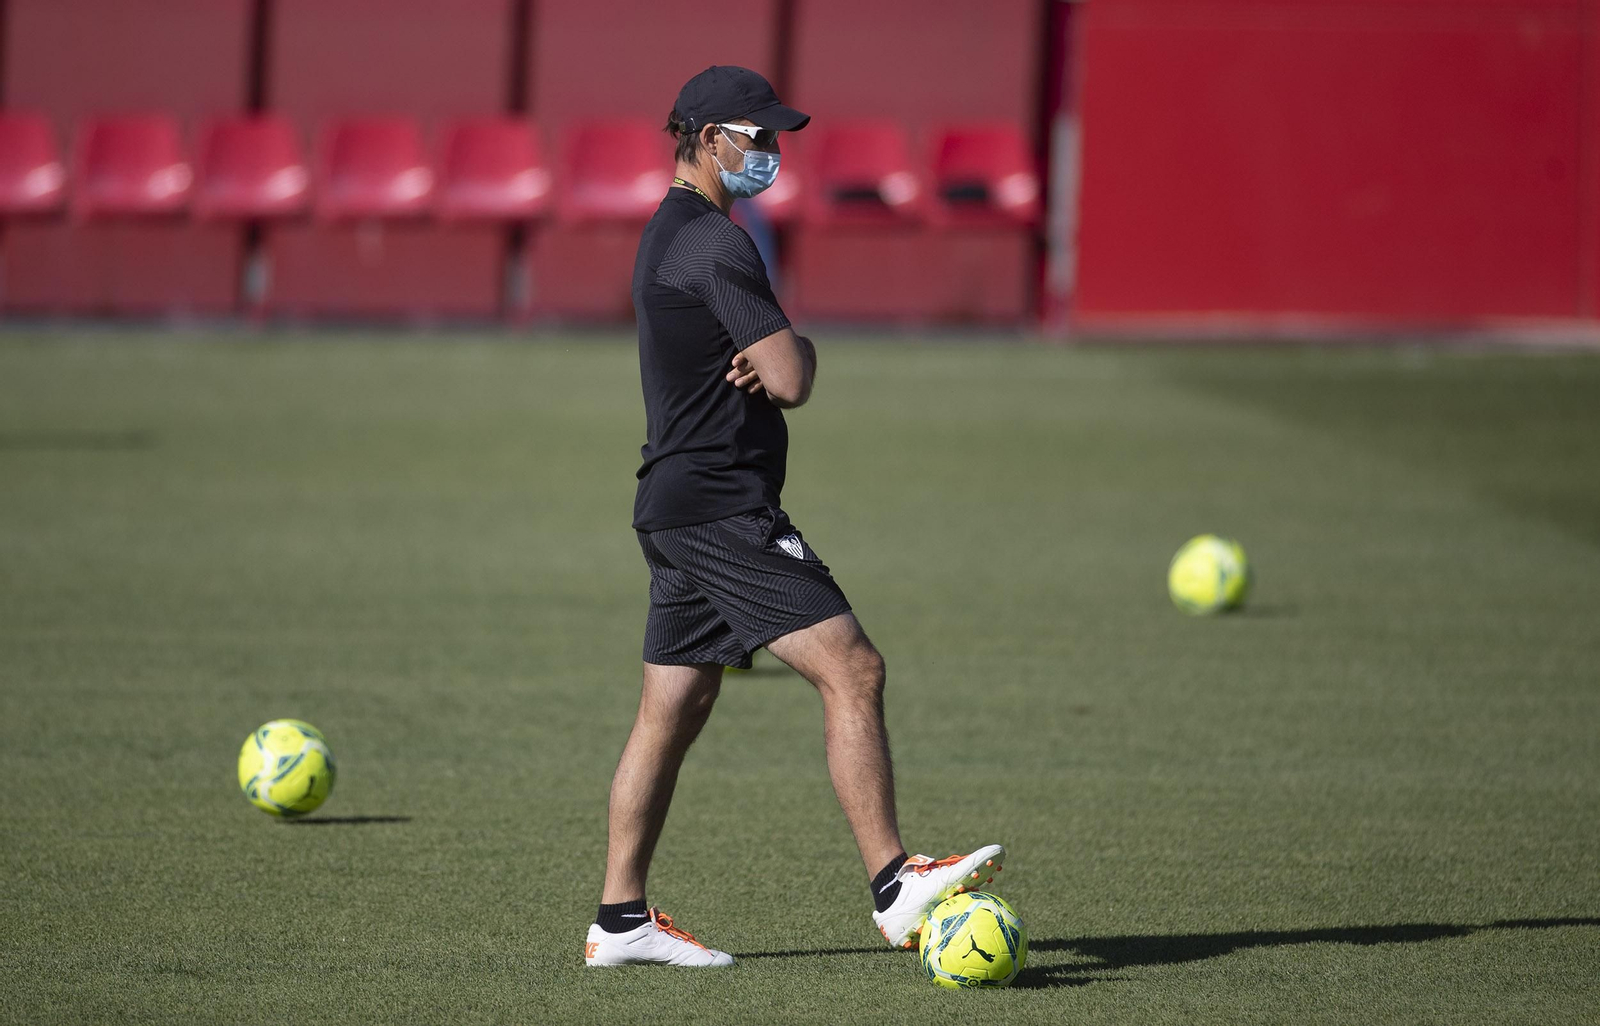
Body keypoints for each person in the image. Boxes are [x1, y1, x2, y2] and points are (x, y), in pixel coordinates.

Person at [582, 65, 1003, 969]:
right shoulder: (715, 245)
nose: (772, 150)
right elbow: (791, 378)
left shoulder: (668, 233)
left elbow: (764, 365)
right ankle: (895, 883)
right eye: (757, 135)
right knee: (853, 667)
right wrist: (791, 346)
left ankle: (618, 921)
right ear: (707, 139)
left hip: (674, 504)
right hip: (722, 506)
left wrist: (769, 351)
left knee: (671, 712)